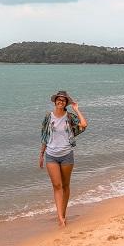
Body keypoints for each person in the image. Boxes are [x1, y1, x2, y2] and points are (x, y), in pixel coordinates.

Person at [39, 90, 88, 226]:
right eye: (58, 99)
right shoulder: (48, 117)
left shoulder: (70, 117)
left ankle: (63, 213)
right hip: (51, 155)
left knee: (65, 186)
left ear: (66, 103)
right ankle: (60, 217)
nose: (60, 101)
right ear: (55, 102)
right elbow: (44, 136)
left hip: (66, 155)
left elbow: (83, 125)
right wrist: (41, 154)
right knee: (57, 185)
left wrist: (76, 109)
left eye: (63, 100)